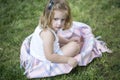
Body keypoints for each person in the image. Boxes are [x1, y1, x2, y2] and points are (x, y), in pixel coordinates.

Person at [20, 0, 111, 79]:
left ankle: (67, 46)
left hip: (45, 51)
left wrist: (68, 41)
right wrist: (68, 60)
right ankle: (67, 54)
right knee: (75, 47)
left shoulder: (47, 25)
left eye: (62, 20)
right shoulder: (47, 34)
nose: (59, 23)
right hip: (45, 58)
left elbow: (55, 38)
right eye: (56, 19)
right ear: (48, 16)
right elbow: (50, 56)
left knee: (72, 43)